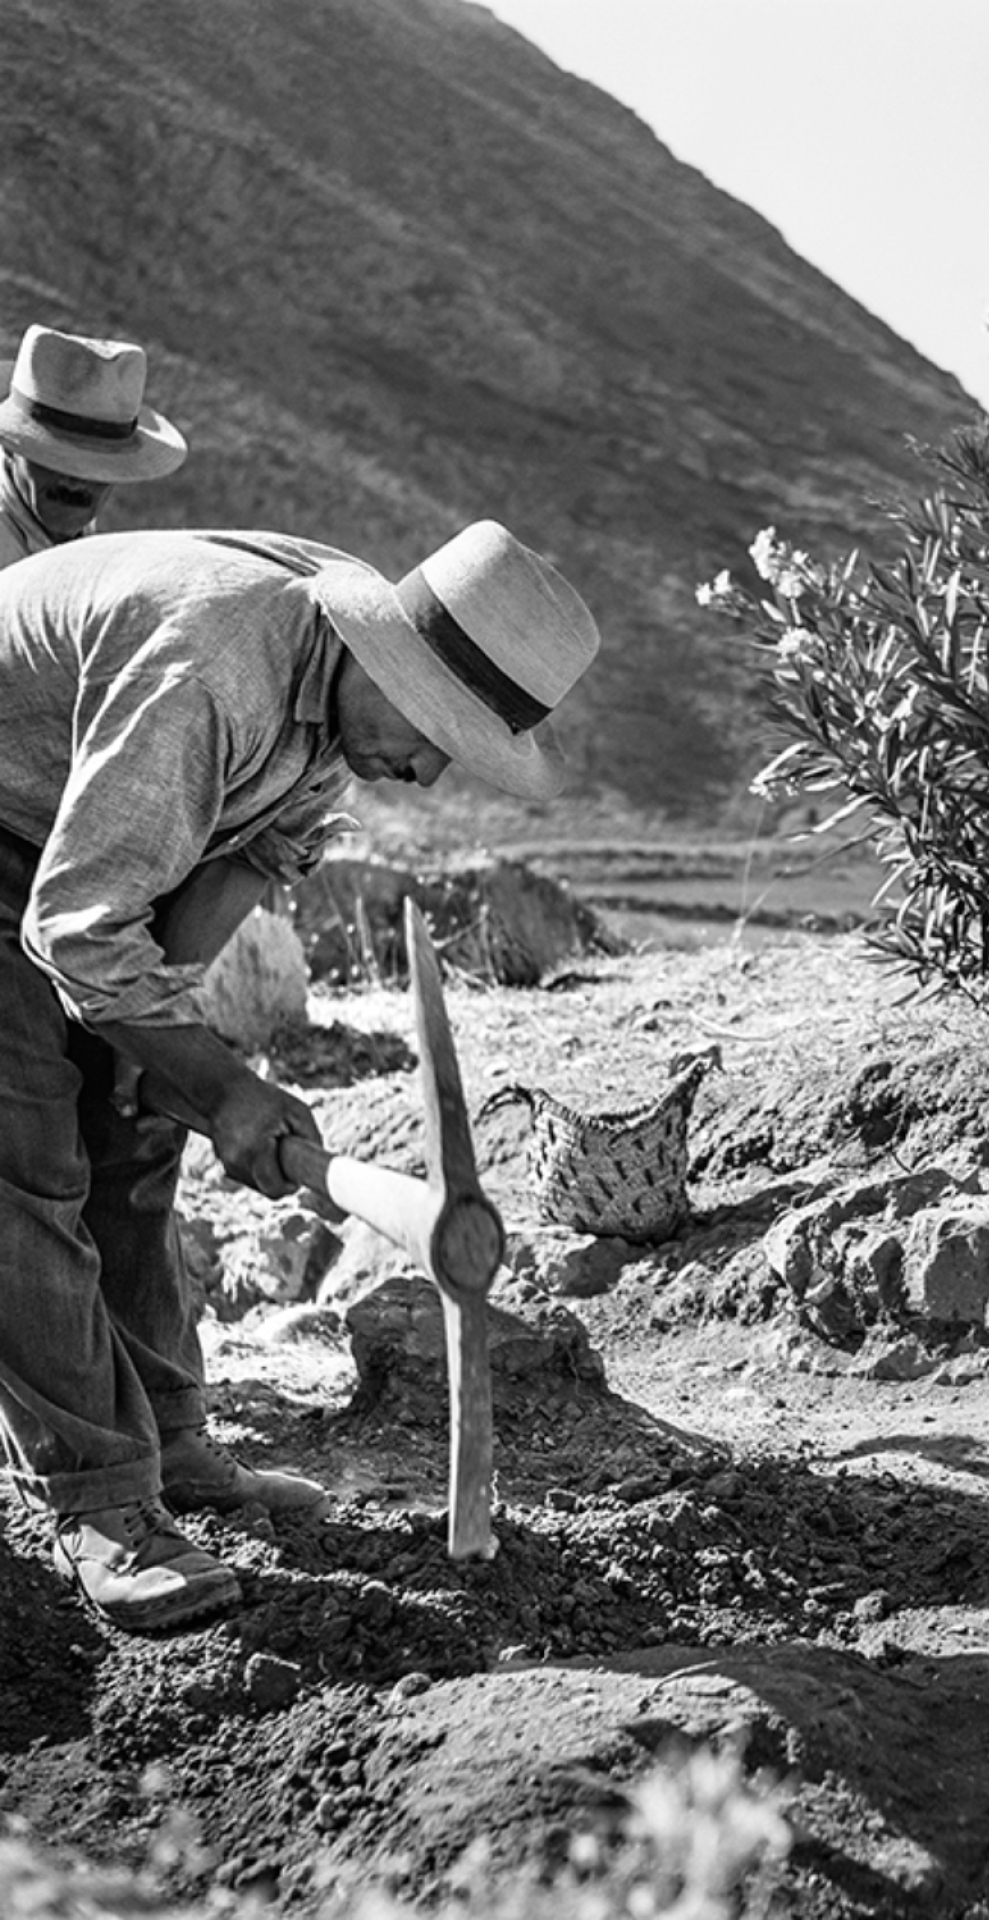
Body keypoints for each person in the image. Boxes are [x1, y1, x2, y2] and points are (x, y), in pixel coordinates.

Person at [0, 520, 599, 1631]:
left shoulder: (336, 706)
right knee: (22, 1166)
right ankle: (99, 1505)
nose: (424, 771)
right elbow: (78, 931)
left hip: (63, 849)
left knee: (134, 1133)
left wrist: (170, 1069)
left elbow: (239, 868)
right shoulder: (214, 668)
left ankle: (170, 1445)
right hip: (15, 836)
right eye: (435, 733)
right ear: (389, 661)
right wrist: (224, 1084)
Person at [0, 324, 188, 566]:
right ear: (13, 448)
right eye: (56, 459)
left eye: (97, 467)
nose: (75, 481)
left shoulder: (67, 521)